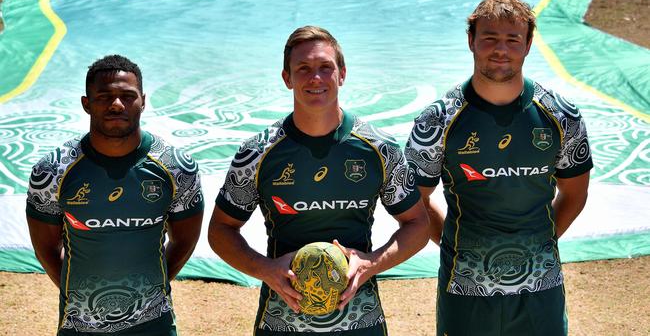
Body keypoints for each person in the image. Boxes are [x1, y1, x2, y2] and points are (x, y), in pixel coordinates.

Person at [208, 26, 429, 335]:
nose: (316, 78)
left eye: (326, 67)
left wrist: (370, 263)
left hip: (361, 321)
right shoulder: (258, 153)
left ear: (342, 74)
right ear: (287, 78)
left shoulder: (379, 148)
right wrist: (266, 269)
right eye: (304, 69)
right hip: (282, 322)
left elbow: (418, 224)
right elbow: (220, 230)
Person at [405, 0, 593, 335]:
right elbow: (414, 201)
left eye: (512, 39)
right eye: (489, 38)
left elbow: (575, 194)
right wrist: (455, 245)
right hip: (465, 288)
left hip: (541, 287)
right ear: (471, 40)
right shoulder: (438, 119)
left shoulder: (562, 115)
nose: (500, 50)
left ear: (528, 44)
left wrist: (539, 244)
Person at [26, 55, 204, 335]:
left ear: (143, 101)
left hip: (154, 324)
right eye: (104, 96)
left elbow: (185, 239)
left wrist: (150, 292)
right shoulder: (53, 170)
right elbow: (46, 248)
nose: (116, 104)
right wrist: (81, 298)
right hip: (80, 325)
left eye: (127, 96)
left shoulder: (176, 166)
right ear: (86, 103)